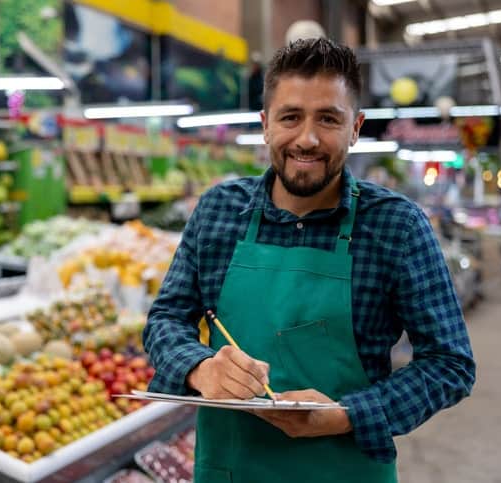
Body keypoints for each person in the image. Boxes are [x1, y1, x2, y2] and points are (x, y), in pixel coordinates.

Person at [143, 38, 475, 483]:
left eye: (328, 119)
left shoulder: (397, 227)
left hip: (344, 468)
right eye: (291, 117)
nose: (308, 138)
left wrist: (345, 414)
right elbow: (165, 319)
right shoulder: (218, 210)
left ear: (355, 127)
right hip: (228, 469)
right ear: (265, 124)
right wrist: (200, 368)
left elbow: (450, 363)